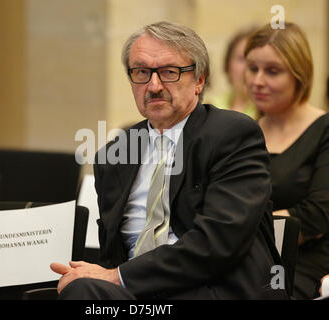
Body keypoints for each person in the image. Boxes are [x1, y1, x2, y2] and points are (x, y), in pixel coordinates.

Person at [50, 21, 288, 300]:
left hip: (214, 290)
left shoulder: (232, 135)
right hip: (139, 295)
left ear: (199, 80)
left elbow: (218, 242)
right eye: (141, 72)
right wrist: (91, 274)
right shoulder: (114, 155)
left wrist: (116, 277)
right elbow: (112, 254)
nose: (153, 86)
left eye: (169, 72)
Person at [244, 22, 329, 299]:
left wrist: (239, 229)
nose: (257, 81)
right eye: (252, 68)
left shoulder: (323, 130)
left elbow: (315, 217)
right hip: (242, 259)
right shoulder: (243, 132)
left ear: (299, 76)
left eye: (272, 71)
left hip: (300, 265)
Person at [211, 26, 258, 119]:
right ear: (228, 64)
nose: (247, 68)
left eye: (255, 61)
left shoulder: (269, 115)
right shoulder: (211, 107)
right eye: (242, 59)